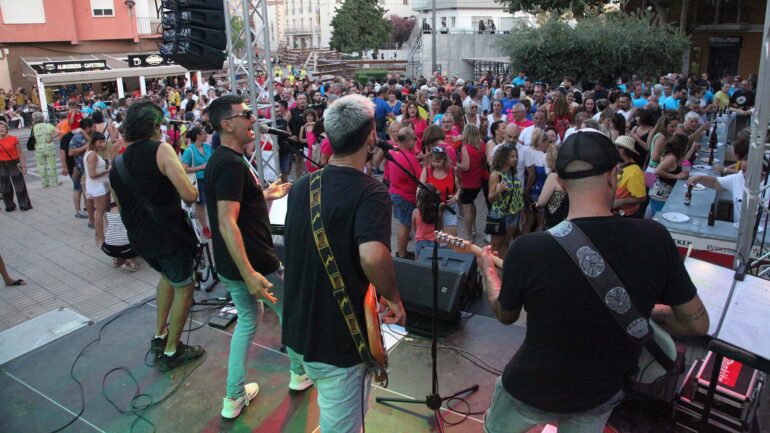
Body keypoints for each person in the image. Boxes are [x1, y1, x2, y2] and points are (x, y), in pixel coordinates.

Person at [479, 129, 709, 433]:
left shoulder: (528, 248)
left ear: (560, 182)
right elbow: (696, 324)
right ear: (614, 175)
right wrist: (641, 311)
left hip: (530, 388)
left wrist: (487, 271)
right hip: (600, 393)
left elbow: (506, 315)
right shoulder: (655, 238)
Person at [282, 94, 406, 433]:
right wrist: (392, 295)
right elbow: (372, 255)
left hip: (300, 329)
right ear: (370, 138)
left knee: (337, 413)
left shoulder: (303, 186)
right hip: (338, 340)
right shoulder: (370, 193)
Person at [204, 95, 310, 419]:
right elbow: (226, 221)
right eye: (245, 114)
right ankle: (300, 372)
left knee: (248, 320)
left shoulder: (225, 160)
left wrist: (264, 194)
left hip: (232, 264)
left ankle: (233, 396)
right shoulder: (229, 165)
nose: (252, 118)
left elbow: (234, 206)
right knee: (289, 312)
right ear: (226, 124)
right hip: (256, 263)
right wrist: (250, 272)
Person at [108, 100, 204, 371]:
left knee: (166, 278)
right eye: (160, 124)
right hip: (168, 236)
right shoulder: (162, 150)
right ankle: (173, 350)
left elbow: (120, 204)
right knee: (184, 286)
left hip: (141, 239)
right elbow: (189, 194)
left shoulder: (118, 162)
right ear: (154, 126)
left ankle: (159, 335)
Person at [388, 126, 422, 259]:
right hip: (406, 196)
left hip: (396, 192)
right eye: (414, 138)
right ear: (408, 142)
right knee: (405, 226)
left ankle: (402, 251)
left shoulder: (393, 152)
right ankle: (402, 254)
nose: (415, 140)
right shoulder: (410, 158)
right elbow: (420, 178)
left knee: (403, 224)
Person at [487, 144, 524, 257]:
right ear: (504, 157)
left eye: (516, 156)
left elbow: (518, 195)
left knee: (506, 243)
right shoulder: (496, 175)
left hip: (513, 214)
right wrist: (498, 190)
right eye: (512, 156)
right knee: (495, 245)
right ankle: (491, 269)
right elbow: (491, 198)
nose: (515, 159)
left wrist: (521, 212)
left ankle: (502, 269)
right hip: (499, 215)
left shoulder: (513, 174)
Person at [180, 127, 213, 238]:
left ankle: (214, 226)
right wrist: (200, 167)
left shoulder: (207, 147)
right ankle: (205, 228)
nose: (207, 135)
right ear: (198, 136)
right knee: (201, 206)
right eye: (204, 133)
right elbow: (184, 169)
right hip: (198, 181)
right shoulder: (189, 151)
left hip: (210, 179)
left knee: (213, 203)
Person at [420, 145, 460, 236]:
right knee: (435, 235)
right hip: (432, 208)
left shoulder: (452, 171)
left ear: (445, 160)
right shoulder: (426, 170)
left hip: (449, 206)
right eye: (433, 161)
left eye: (438, 161)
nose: (435, 164)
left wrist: (456, 196)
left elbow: (459, 188)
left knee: (452, 236)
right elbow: (420, 189)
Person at [457, 124, 488, 238]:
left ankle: (468, 234)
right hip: (478, 180)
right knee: (471, 204)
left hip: (467, 181)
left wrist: (454, 163)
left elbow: (465, 166)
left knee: (467, 207)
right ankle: (474, 229)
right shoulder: (481, 145)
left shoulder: (466, 147)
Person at [84, 131, 111, 245]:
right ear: (94, 142)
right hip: (98, 186)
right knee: (100, 212)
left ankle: (100, 236)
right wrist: (107, 170)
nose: (102, 144)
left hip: (98, 186)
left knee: (102, 212)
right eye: (100, 142)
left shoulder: (91, 153)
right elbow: (92, 174)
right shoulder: (92, 155)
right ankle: (100, 237)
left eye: (103, 141)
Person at [0, 121, 31, 211]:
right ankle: (9, 205)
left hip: (14, 163)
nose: (1, 129)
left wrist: (24, 166)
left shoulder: (14, 139)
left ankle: (24, 204)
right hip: (1, 164)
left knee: (19, 185)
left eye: (3, 127)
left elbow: (20, 153)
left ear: (7, 129)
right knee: (4, 187)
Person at [613, 135, 646, 218]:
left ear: (621, 150)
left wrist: (620, 202)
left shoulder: (634, 172)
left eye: (615, 148)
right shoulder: (617, 165)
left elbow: (642, 198)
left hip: (626, 215)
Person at [31, 112, 61, 187]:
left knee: (41, 165)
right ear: (42, 118)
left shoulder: (33, 128)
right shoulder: (48, 126)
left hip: (38, 147)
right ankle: (54, 182)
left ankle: (45, 183)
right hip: (49, 146)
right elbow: (58, 131)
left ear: (34, 119)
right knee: (51, 165)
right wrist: (52, 137)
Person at [412, 185, 441, 259]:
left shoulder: (415, 212)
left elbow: (414, 228)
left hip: (420, 243)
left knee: (419, 265)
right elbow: (439, 229)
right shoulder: (438, 212)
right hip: (434, 243)